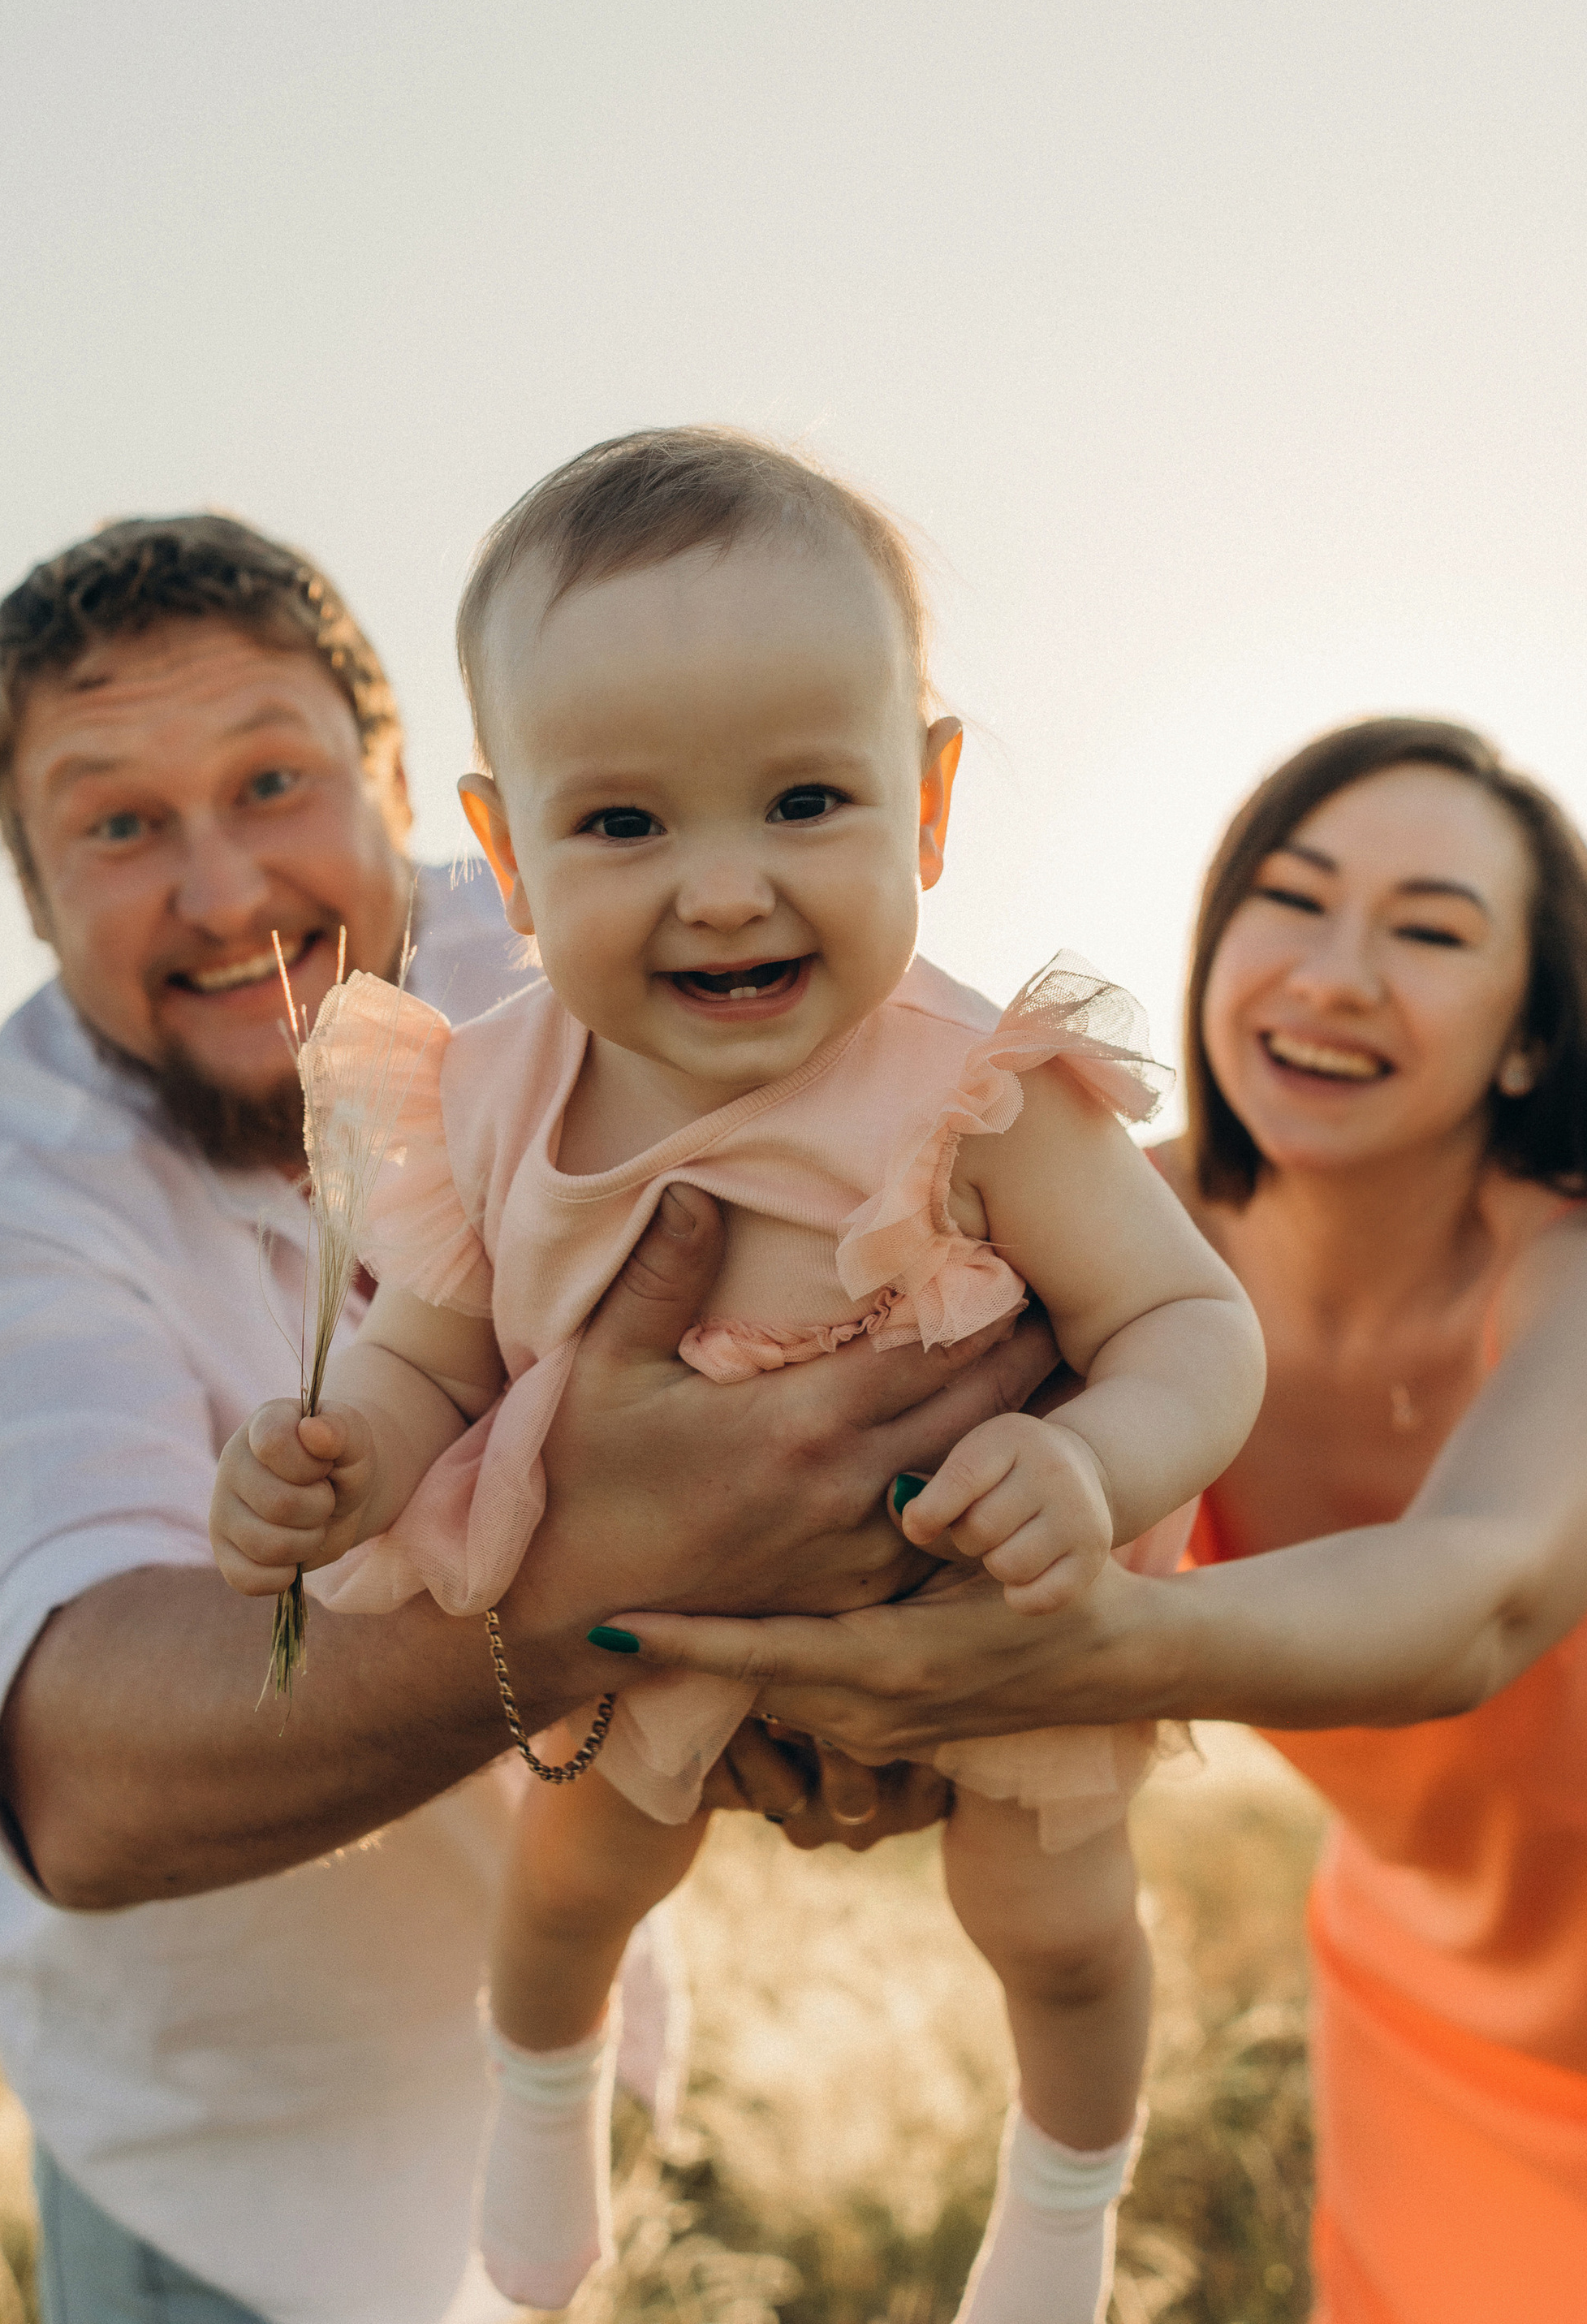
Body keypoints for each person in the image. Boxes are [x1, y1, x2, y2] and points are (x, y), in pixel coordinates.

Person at [0, 512, 1055, 2324]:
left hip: (583, 2062)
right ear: (29, 887)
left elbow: (926, 1254)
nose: (228, 885)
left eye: (272, 780)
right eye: (116, 824)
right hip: (231, 2180)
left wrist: (877, 1678)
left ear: (403, 783)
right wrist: (612, 1581)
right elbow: (88, 1777)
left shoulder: (594, 950)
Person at [209, 429, 1266, 2324]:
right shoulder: (487, 1095)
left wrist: (1092, 1470)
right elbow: (424, 1351)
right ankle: (541, 2110)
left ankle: (1060, 2210)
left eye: (801, 801)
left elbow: (1191, 1327)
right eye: (623, 828)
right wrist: (339, 1458)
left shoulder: (978, 1085)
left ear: (926, 804)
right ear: (510, 854)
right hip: (656, 1613)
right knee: (564, 1885)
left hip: (984, 1594)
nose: (721, 891)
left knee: (1056, 1925)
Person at [620, 717, 1587, 2324]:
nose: (1334, 972)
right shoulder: (1116, 1253)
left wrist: (1087, 1662)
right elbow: (893, 1534)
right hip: (1430, 2041)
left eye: (1425, 929)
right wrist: (826, 1736)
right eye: (1292, 897)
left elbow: (1475, 1599)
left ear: (1530, 1032)